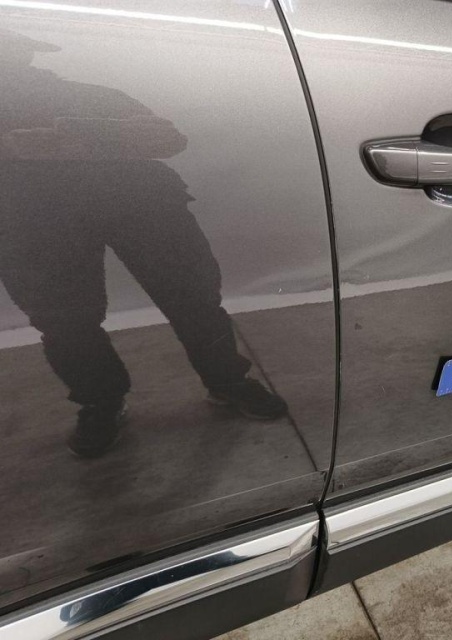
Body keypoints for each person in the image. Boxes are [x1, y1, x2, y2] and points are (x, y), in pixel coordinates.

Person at [0, 29, 287, 458]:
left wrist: (80, 139)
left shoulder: (91, 96)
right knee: (65, 321)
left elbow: (171, 140)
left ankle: (226, 382)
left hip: (140, 205)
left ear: (28, 56)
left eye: (13, 53)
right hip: (35, 221)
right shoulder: (92, 96)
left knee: (192, 298)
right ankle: (101, 403)